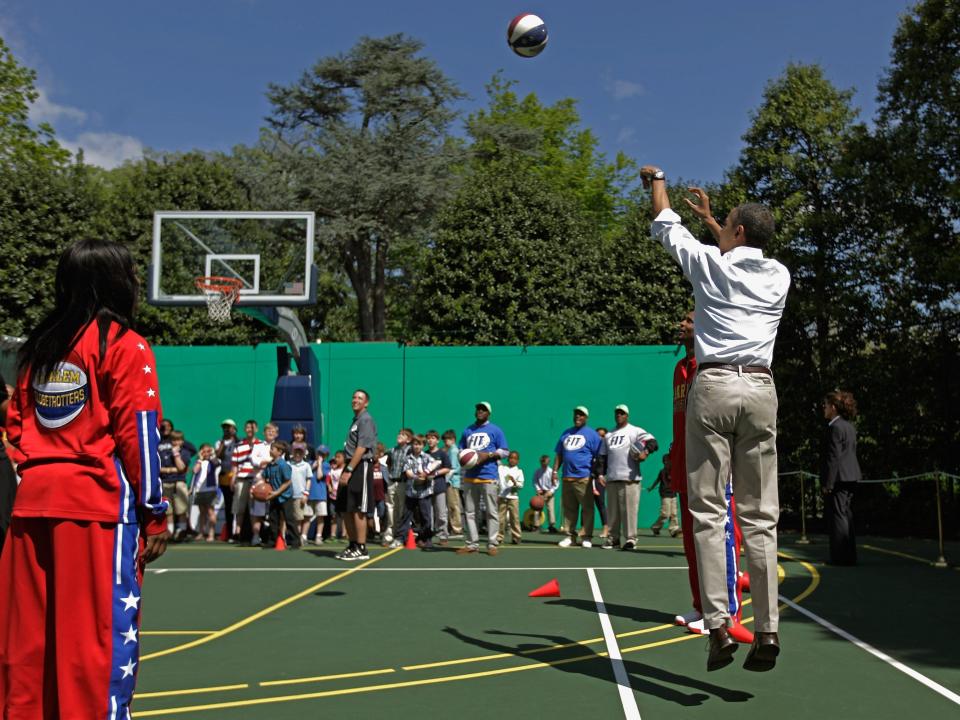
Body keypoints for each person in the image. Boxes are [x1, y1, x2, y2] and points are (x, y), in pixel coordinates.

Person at [0, 238, 170, 715]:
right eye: (132, 273)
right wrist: (154, 513)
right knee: (96, 646)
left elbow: (15, 426)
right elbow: (139, 432)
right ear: (114, 281)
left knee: (27, 647)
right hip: (96, 510)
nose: (137, 281)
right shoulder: (122, 344)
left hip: (31, 504)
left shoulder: (40, 348)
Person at [642, 165, 790, 672]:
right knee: (760, 517)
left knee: (708, 512)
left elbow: (665, 222)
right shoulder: (779, 275)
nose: (719, 228)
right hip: (761, 390)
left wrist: (657, 180)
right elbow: (737, 253)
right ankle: (767, 628)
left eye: (726, 223)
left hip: (715, 386)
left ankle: (720, 626)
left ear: (739, 233)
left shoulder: (709, 264)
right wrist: (711, 218)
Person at [598, 404, 656, 550]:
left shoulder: (634, 431)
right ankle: (613, 539)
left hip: (630, 479)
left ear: (627, 416)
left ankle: (631, 539)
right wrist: (600, 473)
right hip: (612, 478)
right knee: (613, 513)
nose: (619, 415)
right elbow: (603, 457)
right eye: (617, 413)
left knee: (629, 512)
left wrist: (646, 452)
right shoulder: (609, 435)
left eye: (622, 413)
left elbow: (653, 442)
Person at [457, 401, 509, 556]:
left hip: (488, 476)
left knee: (491, 512)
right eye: (478, 409)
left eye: (483, 410)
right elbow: (461, 449)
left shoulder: (496, 430)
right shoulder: (468, 430)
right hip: (470, 477)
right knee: (470, 512)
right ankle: (472, 544)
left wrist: (489, 455)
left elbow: (505, 452)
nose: (480, 411)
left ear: (489, 413)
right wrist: (466, 457)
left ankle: (492, 544)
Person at [336, 389, 378, 561]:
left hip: (360, 466)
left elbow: (362, 448)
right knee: (346, 507)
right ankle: (352, 545)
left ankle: (361, 547)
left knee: (358, 509)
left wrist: (349, 470)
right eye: (353, 397)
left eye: (359, 398)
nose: (355, 400)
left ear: (366, 403)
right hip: (351, 465)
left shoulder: (366, 420)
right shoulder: (356, 420)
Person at [821, 390, 861, 566]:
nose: (824, 408)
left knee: (838, 517)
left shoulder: (835, 428)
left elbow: (833, 457)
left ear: (834, 408)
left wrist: (828, 483)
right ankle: (849, 555)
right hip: (851, 476)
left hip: (839, 478)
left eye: (827, 405)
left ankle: (840, 556)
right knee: (846, 515)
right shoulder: (849, 426)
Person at [554, 406, 602, 548]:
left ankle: (586, 536)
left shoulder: (592, 434)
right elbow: (559, 454)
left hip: (584, 478)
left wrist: (595, 473)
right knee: (569, 508)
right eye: (576, 414)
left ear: (586, 418)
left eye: (581, 415)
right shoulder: (566, 433)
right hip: (567, 477)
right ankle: (570, 536)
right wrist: (554, 471)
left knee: (587, 508)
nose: (577, 417)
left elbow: (599, 456)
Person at [392, 434, 440, 550]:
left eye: (419, 444)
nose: (416, 446)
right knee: (406, 516)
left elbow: (436, 467)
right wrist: (416, 477)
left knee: (426, 517)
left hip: (425, 492)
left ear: (423, 445)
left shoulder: (428, 458)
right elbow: (408, 472)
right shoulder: (408, 458)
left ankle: (426, 539)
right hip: (411, 492)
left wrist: (428, 475)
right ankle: (400, 538)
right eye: (414, 444)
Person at [230, 419, 266, 542]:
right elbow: (234, 465)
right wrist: (233, 479)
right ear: (245, 429)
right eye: (247, 428)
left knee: (254, 509)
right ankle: (237, 534)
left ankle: (255, 535)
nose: (250, 430)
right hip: (241, 479)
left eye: (252, 428)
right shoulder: (239, 445)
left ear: (256, 429)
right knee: (239, 508)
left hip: (256, 480)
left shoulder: (262, 444)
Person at [262, 440, 300, 549]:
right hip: (274, 497)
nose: (270, 450)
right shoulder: (269, 465)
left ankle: (295, 541)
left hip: (285, 497)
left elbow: (288, 482)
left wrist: (276, 493)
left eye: (272, 449)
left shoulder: (284, 465)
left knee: (289, 520)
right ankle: (272, 541)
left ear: (279, 452)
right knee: (273, 519)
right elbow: (265, 480)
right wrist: (258, 490)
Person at [160, 430, 193, 541]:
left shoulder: (185, 452)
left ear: (182, 441)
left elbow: (181, 468)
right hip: (165, 483)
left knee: (181, 509)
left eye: (178, 440)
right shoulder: (164, 452)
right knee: (168, 510)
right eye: (174, 440)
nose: (176, 442)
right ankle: (170, 532)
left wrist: (176, 454)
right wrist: (171, 470)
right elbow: (159, 469)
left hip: (179, 483)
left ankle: (181, 532)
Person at [384, 428, 412, 544]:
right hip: (392, 481)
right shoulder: (392, 450)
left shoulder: (410, 450)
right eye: (399, 433)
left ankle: (401, 535)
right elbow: (387, 462)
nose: (399, 435)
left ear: (408, 439)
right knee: (390, 508)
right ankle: (389, 535)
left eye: (403, 435)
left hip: (402, 482)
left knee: (401, 509)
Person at [425, 430, 451, 544]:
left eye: (433, 438)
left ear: (437, 440)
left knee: (441, 513)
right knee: (428, 513)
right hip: (426, 488)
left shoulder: (442, 453)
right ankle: (428, 534)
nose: (430, 440)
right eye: (428, 438)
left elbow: (448, 468)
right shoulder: (424, 454)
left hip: (439, 486)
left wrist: (435, 473)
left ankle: (443, 535)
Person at [191, 443, 220, 542]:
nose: (206, 453)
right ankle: (201, 533)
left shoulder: (213, 461)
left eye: (208, 451)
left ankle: (211, 534)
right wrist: (200, 458)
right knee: (202, 512)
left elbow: (216, 463)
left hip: (210, 490)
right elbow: (195, 471)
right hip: (199, 491)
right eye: (204, 451)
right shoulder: (199, 462)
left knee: (210, 512)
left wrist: (212, 454)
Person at [215, 419, 238, 541]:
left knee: (238, 505)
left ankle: (238, 532)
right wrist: (223, 444)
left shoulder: (239, 442)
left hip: (236, 476)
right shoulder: (219, 442)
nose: (226, 429)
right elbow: (218, 456)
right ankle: (229, 533)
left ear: (234, 429)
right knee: (229, 505)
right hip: (224, 476)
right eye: (224, 427)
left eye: (229, 427)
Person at [497, 450, 525, 544]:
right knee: (500, 518)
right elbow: (497, 462)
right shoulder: (501, 468)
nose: (512, 460)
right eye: (511, 458)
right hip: (502, 496)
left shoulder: (519, 471)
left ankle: (516, 537)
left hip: (513, 498)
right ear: (508, 459)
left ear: (518, 460)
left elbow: (521, 485)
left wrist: (515, 483)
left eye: (515, 458)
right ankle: (499, 537)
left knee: (515, 518)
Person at [647, 456, 679, 537]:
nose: (669, 463)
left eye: (670, 461)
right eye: (667, 461)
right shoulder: (662, 472)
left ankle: (674, 530)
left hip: (673, 494)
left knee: (674, 513)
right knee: (665, 514)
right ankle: (655, 527)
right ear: (664, 462)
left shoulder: (674, 471)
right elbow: (657, 481)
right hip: (665, 494)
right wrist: (651, 487)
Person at [304, 445, 329, 544]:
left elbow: (319, 476)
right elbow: (306, 473)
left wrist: (319, 465)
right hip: (309, 494)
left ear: (326, 455)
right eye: (319, 453)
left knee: (320, 516)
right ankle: (303, 536)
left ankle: (318, 536)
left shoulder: (326, 465)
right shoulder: (309, 463)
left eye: (322, 454)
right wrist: (314, 465)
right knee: (307, 516)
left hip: (320, 495)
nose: (320, 455)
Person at [442, 429, 463, 537]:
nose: (446, 441)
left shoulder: (453, 451)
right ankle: (453, 528)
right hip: (451, 481)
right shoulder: (450, 450)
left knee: (453, 505)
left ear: (453, 440)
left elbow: (453, 468)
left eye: (448, 439)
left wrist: (446, 480)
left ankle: (457, 529)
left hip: (452, 482)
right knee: (451, 505)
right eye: (445, 439)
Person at [532, 454, 558, 533]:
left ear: (548, 462)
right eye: (542, 462)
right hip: (540, 493)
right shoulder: (537, 471)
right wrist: (538, 489)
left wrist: (551, 491)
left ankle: (551, 526)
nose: (543, 463)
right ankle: (536, 526)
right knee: (537, 509)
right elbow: (534, 481)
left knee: (550, 509)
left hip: (549, 493)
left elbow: (556, 483)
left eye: (545, 462)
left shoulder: (551, 472)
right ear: (540, 462)